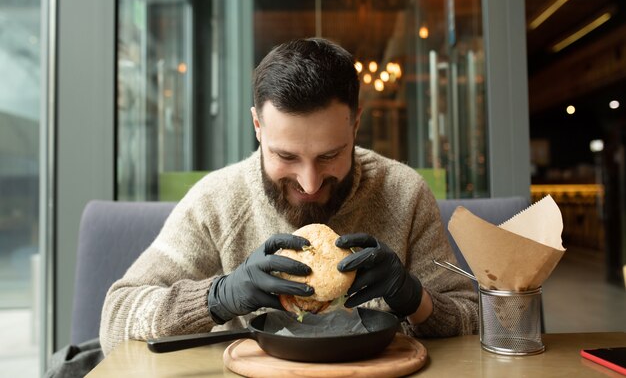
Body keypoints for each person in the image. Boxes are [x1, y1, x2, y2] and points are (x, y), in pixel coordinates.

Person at [99, 38, 478, 355]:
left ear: (356, 124)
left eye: (329, 155)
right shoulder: (217, 202)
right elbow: (115, 319)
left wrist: (414, 297)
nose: (310, 183)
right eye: (286, 156)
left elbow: (479, 320)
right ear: (258, 126)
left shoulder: (404, 194)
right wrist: (218, 297)